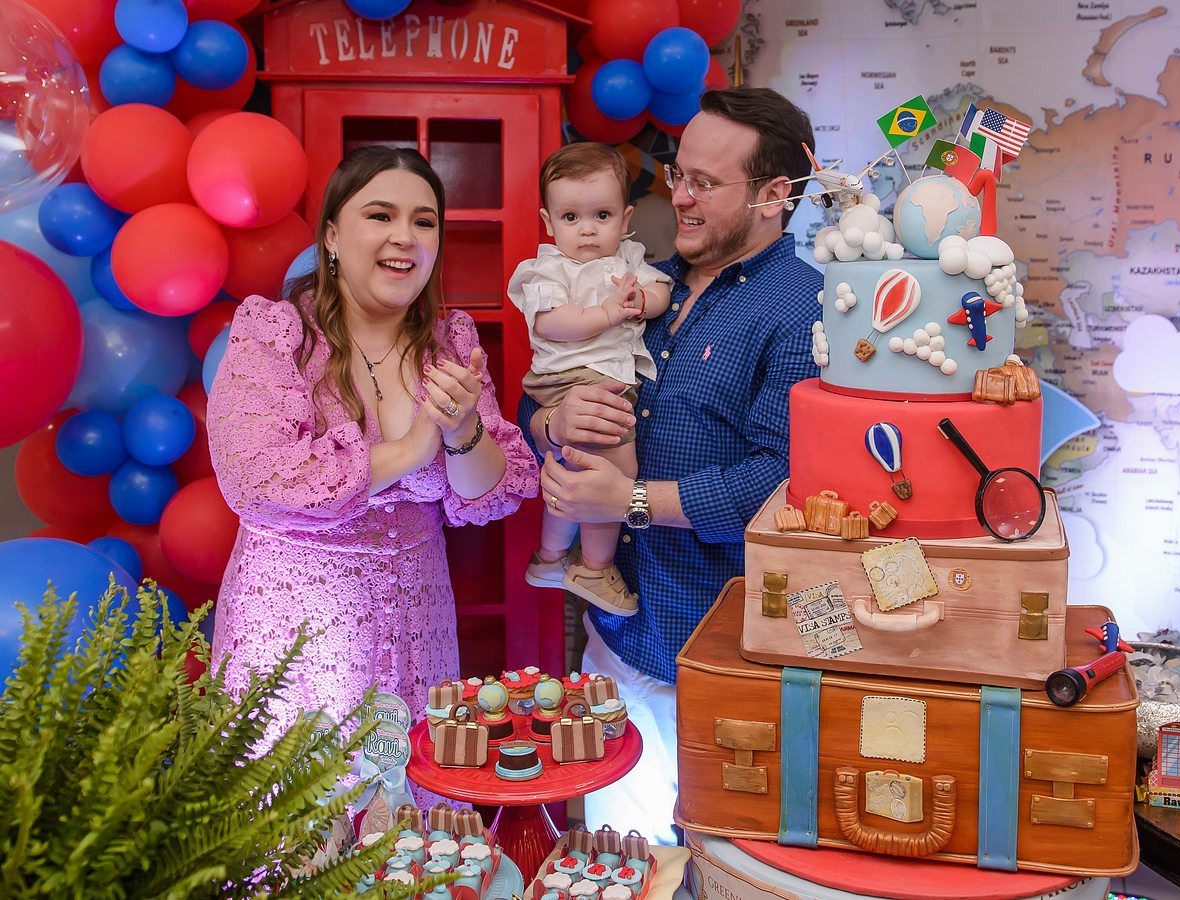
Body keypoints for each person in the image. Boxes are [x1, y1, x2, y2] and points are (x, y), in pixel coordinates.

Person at [518, 87, 824, 843]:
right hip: (617, 643)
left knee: (726, 874)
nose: (678, 196)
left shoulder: (805, 309)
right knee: (618, 871)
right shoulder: (636, 284)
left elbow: (782, 482)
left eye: (705, 183)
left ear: (773, 196)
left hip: (725, 664)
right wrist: (552, 422)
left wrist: (630, 500)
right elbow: (537, 395)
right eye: (678, 174)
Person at [207, 146, 538, 801]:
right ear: (332, 236)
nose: (404, 236)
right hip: (295, 631)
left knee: (408, 820)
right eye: (380, 215)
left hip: (418, 619)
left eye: (424, 221)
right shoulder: (276, 333)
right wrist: (413, 449)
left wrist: (463, 431)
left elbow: (490, 493)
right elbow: (259, 477)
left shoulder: (450, 342)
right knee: (300, 820)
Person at [509, 142, 671, 618]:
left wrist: (644, 300)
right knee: (614, 475)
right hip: (574, 378)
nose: (587, 229)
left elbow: (661, 289)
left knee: (574, 474)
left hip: (600, 378)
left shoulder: (628, 258)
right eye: (571, 217)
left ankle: (551, 558)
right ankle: (596, 569)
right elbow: (552, 323)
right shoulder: (547, 269)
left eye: (602, 215)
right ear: (548, 222)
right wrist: (608, 312)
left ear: (624, 218)